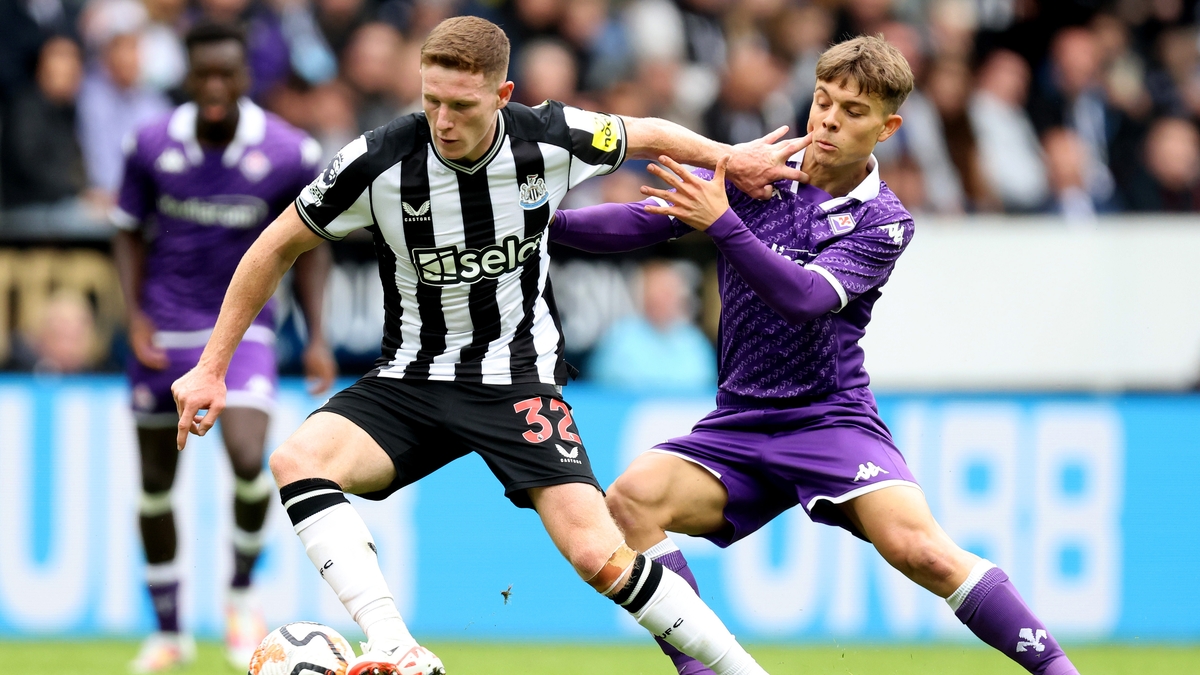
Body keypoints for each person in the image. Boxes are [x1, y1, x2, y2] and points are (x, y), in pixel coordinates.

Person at [172, 15, 805, 675]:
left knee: (598, 554)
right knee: (298, 459)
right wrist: (211, 368)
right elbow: (276, 243)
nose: (442, 120)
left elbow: (646, 134)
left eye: (461, 105)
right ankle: (395, 644)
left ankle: (740, 670)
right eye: (431, 101)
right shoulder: (376, 161)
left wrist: (733, 160)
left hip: (515, 378)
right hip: (412, 378)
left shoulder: (548, 139)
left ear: (503, 97)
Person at [552, 36, 1083, 675]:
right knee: (630, 500)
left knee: (924, 553)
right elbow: (635, 223)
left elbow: (803, 297)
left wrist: (723, 223)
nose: (829, 119)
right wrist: (527, 227)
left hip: (829, 419)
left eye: (853, 111)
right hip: (740, 421)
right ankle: (708, 670)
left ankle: (1057, 669)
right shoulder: (754, 171)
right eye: (823, 102)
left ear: (888, 127)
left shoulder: (884, 219)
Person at [111, 22, 335, 673]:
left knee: (246, 457)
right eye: (202, 74)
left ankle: (240, 592)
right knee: (156, 483)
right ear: (187, 75)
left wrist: (316, 334)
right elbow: (127, 231)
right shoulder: (150, 143)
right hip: (165, 327)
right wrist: (133, 315)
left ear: (245, 78)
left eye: (226, 75)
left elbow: (310, 244)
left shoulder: (288, 150)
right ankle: (171, 631)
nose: (214, 87)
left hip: (243, 331)